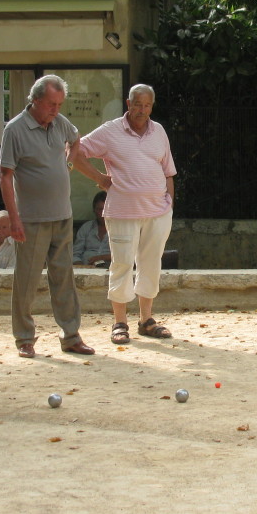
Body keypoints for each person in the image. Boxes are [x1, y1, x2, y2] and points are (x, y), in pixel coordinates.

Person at [0, 74, 109, 358]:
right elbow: (5, 176)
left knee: (64, 277)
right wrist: (14, 219)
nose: (55, 110)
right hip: (32, 219)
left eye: (59, 104)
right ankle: (24, 338)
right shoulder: (15, 130)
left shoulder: (60, 123)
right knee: (27, 280)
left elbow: (76, 140)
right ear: (35, 100)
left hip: (62, 215)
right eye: (51, 104)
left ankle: (70, 336)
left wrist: (73, 160)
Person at [77, 84, 176, 345]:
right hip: (122, 212)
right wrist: (100, 178)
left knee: (151, 264)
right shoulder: (111, 131)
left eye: (147, 105)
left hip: (158, 212)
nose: (142, 110)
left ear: (152, 106)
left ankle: (146, 320)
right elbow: (75, 151)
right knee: (121, 264)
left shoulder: (159, 131)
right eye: (137, 104)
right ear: (127, 103)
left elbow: (168, 171)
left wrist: (170, 205)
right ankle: (119, 323)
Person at [73, 190, 111, 268]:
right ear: (94, 210)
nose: (103, 213)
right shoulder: (86, 228)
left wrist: (101, 257)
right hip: (86, 268)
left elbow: (125, 256)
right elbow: (75, 254)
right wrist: (80, 266)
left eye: (105, 209)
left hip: (110, 270)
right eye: (99, 209)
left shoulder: (118, 229)